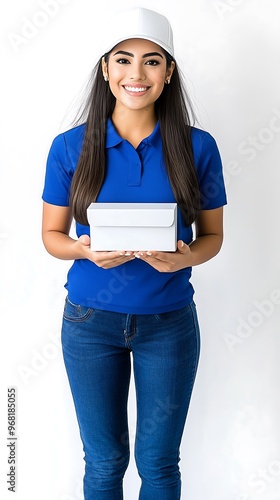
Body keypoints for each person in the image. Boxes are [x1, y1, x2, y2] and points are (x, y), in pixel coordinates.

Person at [41, 6, 227, 499]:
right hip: (88, 324)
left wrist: (185, 258)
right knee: (104, 463)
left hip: (168, 324)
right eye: (123, 61)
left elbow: (212, 237)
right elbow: (51, 236)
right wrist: (84, 252)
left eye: (151, 61)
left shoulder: (198, 147)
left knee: (159, 464)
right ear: (106, 70)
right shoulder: (69, 147)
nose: (136, 74)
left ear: (168, 73)